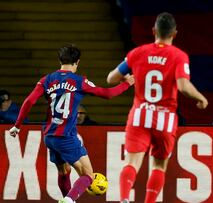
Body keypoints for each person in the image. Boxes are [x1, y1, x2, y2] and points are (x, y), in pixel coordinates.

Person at [8, 44, 134, 203]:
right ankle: (69, 200)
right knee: (88, 175)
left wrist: (17, 125)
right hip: (66, 136)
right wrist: (127, 83)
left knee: (64, 170)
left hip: (49, 136)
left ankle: (67, 199)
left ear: (60, 60)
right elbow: (107, 94)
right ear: (77, 62)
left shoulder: (47, 80)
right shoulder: (79, 81)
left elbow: (29, 101)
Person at [107, 12, 208, 203]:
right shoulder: (178, 56)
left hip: (140, 115)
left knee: (131, 163)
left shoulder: (137, 53)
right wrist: (201, 98)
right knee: (159, 166)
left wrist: (126, 78)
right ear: (174, 33)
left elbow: (111, 78)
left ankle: (124, 199)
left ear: (154, 31)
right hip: (165, 119)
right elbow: (183, 86)